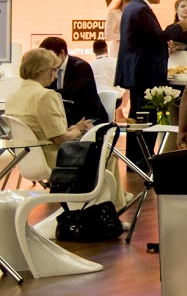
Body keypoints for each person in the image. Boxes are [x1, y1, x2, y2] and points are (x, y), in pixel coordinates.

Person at [7, 47, 126, 209]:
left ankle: (112, 200)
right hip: (54, 159)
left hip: (26, 159)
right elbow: (61, 140)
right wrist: (78, 130)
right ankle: (114, 206)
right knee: (107, 154)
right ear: (41, 70)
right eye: (54, 70)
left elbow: (45, 133)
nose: (56, 75)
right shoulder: (45, 96)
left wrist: (74, 128)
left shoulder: (13, 97)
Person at [39, 36, 108, 127]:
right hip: (64, 116)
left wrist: (43, 93)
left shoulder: (81, 67)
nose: (46, 61)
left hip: (87, 117)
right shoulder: (49, 68)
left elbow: (73, 93)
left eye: (49, 57)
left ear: (62, 53)